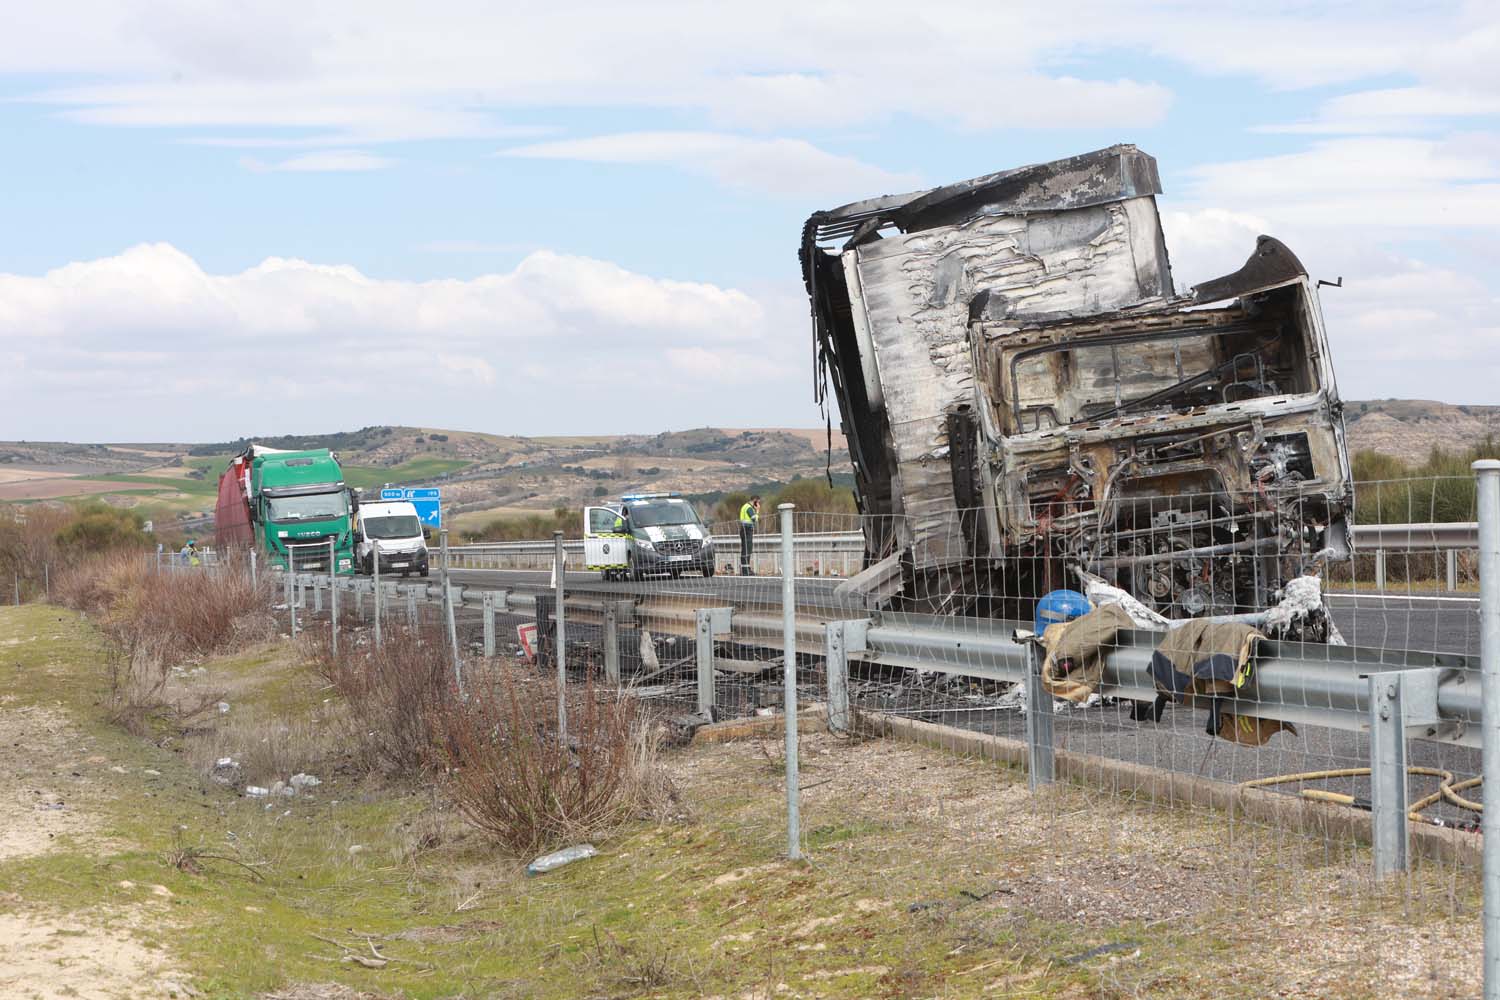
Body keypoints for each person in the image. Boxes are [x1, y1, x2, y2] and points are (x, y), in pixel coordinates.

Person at [738, 496, 760, 575]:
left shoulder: (744, 506)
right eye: (758, 502)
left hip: (743, 529)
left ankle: (745, 569)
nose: (758, 504)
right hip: (747, 530)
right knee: (747, 549)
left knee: (745, 550)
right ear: (755, 501)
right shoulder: (749, 508)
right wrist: (757, 511)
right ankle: (746, 571)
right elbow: (754, 519)